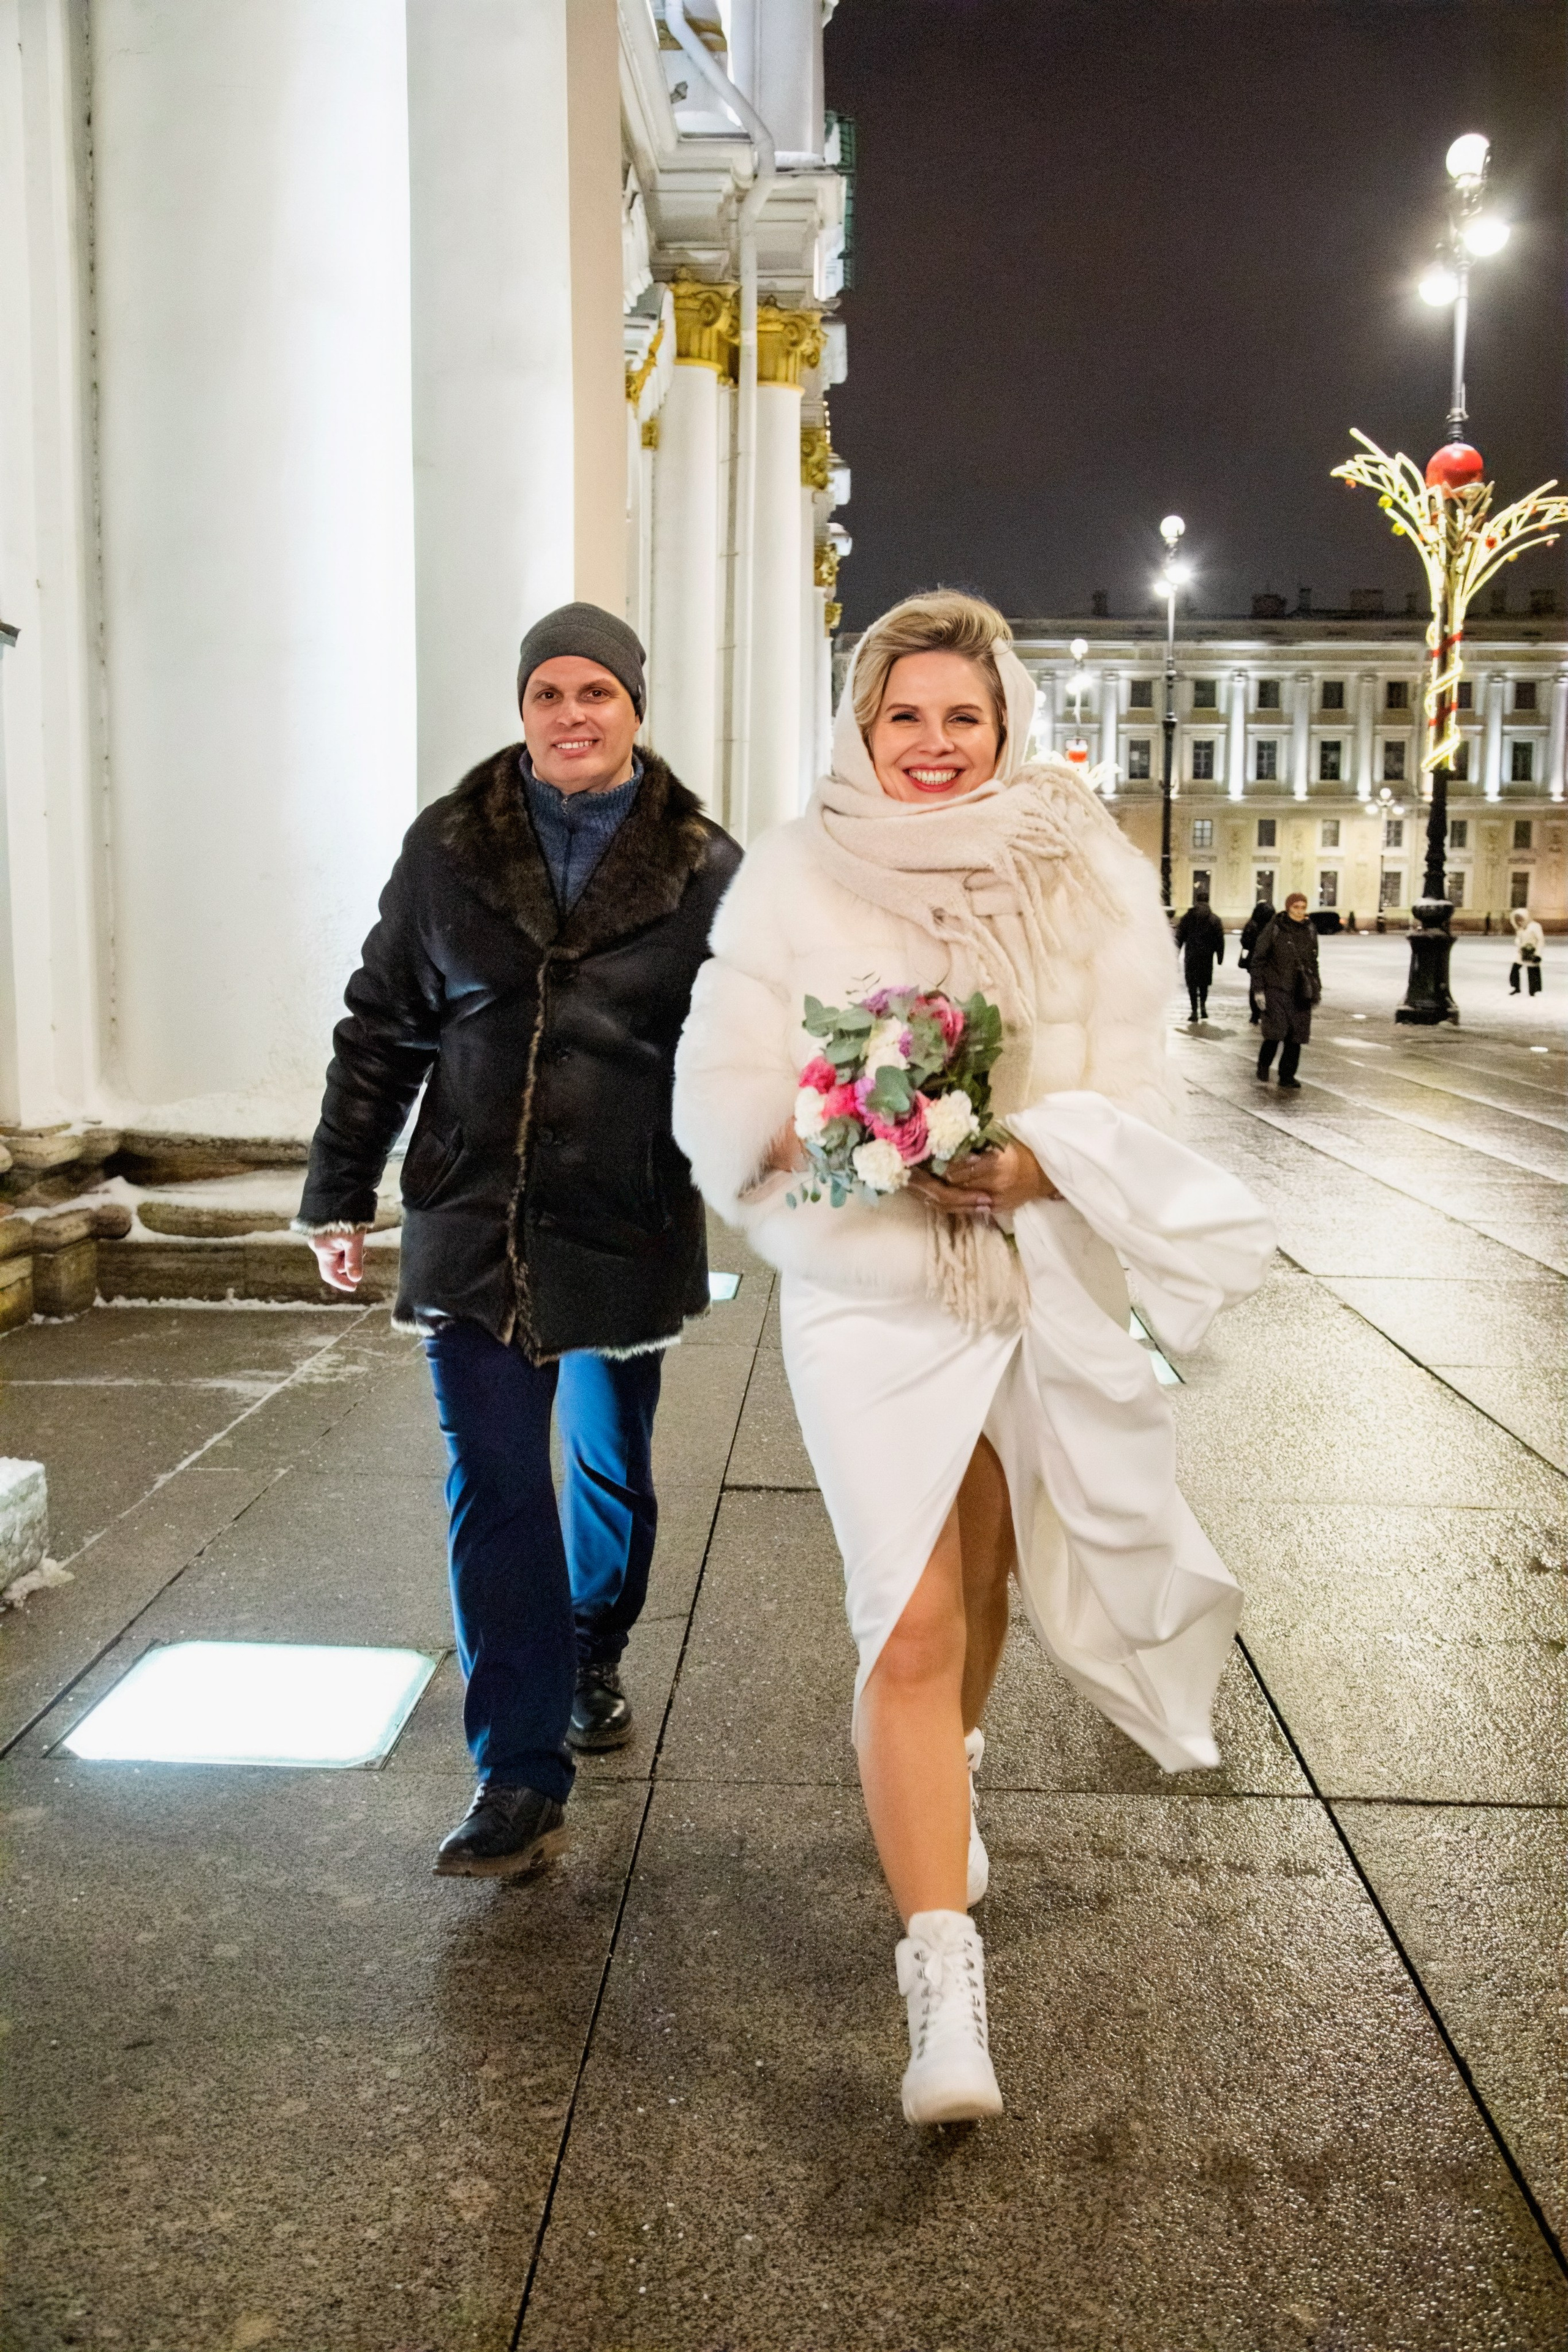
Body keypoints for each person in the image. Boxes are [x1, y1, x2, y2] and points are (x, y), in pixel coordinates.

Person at [674, 594, 1267, 2126]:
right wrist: (843, 1133)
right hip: (867, 1291)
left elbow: (1141, 1084)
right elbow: (723, 1096)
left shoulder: (1082, 867)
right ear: (860, 727)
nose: (930, 745)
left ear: (1000, 722)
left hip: (1028, 1277)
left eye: (959, 716)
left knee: (988, 1571)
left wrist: (1034, 1161)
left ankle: (948, 1761)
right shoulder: (795, 867)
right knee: (910, 1610)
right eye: (902, 717)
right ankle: (939, 1975)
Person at [296, 603, 739, 1878]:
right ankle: (516, 1770)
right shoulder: (450, 847)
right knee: (493, 1481)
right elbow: (380, 1021)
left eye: (596, 691)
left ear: (635, 708)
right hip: (470, 1209)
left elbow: (752, 1037)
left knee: (607, 1464)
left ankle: (592, 1644)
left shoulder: (706, 865)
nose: (571, 715)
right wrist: (340, 1189)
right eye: (548, 692)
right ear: (523, 708)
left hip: (622, 1208)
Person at [1250, 891, 1320, 1088]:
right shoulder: (1275, 928)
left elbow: (1313, 961)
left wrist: (1316, 986)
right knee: (1275, 1032)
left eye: (1303, 907)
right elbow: (1258, 960)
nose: (1300, 911)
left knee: (1296, 1036)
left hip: (1300, 990)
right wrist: (1259, 989)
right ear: (1288, 907)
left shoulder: (1310, 930)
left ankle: (1287, 1075)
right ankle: (1264, 1065)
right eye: (1296, 907)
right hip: (1276, 988)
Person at [1175, 889, 1225, 1022]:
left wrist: (1175, 954)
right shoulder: (1215, 919)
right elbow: (1219, 940)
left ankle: (1194, 1011)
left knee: (1192, 984)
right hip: (1207, 957)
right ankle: (1203, 1008)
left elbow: (1179, 937)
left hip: (1191, 955)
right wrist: (1220, 956)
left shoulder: (1187, 917)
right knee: (1204, 984)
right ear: (1208, 901)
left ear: (1196, 901)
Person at [1237, 897, 1273, 1024]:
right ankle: (1265, 1012)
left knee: (1255, 987)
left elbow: (1244, 942)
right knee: (1269, 987)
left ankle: (1255, 1014)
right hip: (1270, 962)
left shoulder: (1251, 925)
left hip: (1254, 961)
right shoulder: (1273, 927)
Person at [1510, 906, 1544, 995]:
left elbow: (1540, 940)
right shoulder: (1520, 928)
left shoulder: (1535, 926)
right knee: (1515, 969)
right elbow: (1518, 939)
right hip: (1522, 953)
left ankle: (1532, 992)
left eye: (1520, 918)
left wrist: (1538, 954)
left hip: (1533, 952)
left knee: (1532, 971)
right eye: (1517, 919)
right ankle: (1516, 988)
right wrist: (1519, 945)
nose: (1519, 921)